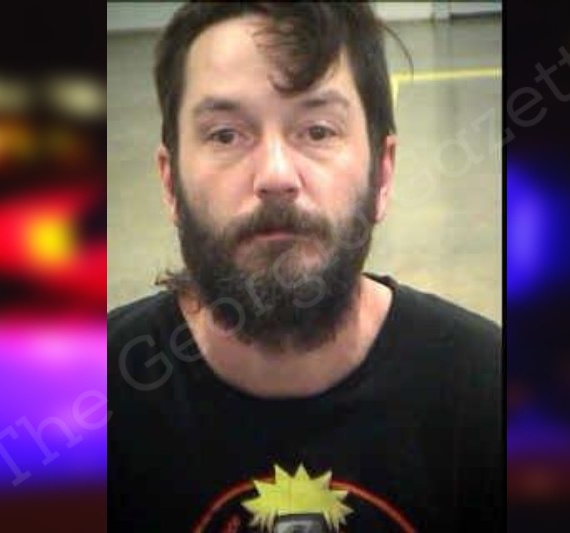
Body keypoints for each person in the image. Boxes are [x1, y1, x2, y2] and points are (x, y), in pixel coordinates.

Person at [108, 3, 502, 531]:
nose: (276, 175)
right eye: (225, 134)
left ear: (383, 175)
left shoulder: (488, 399)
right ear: (169, 182)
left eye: (318, 131)